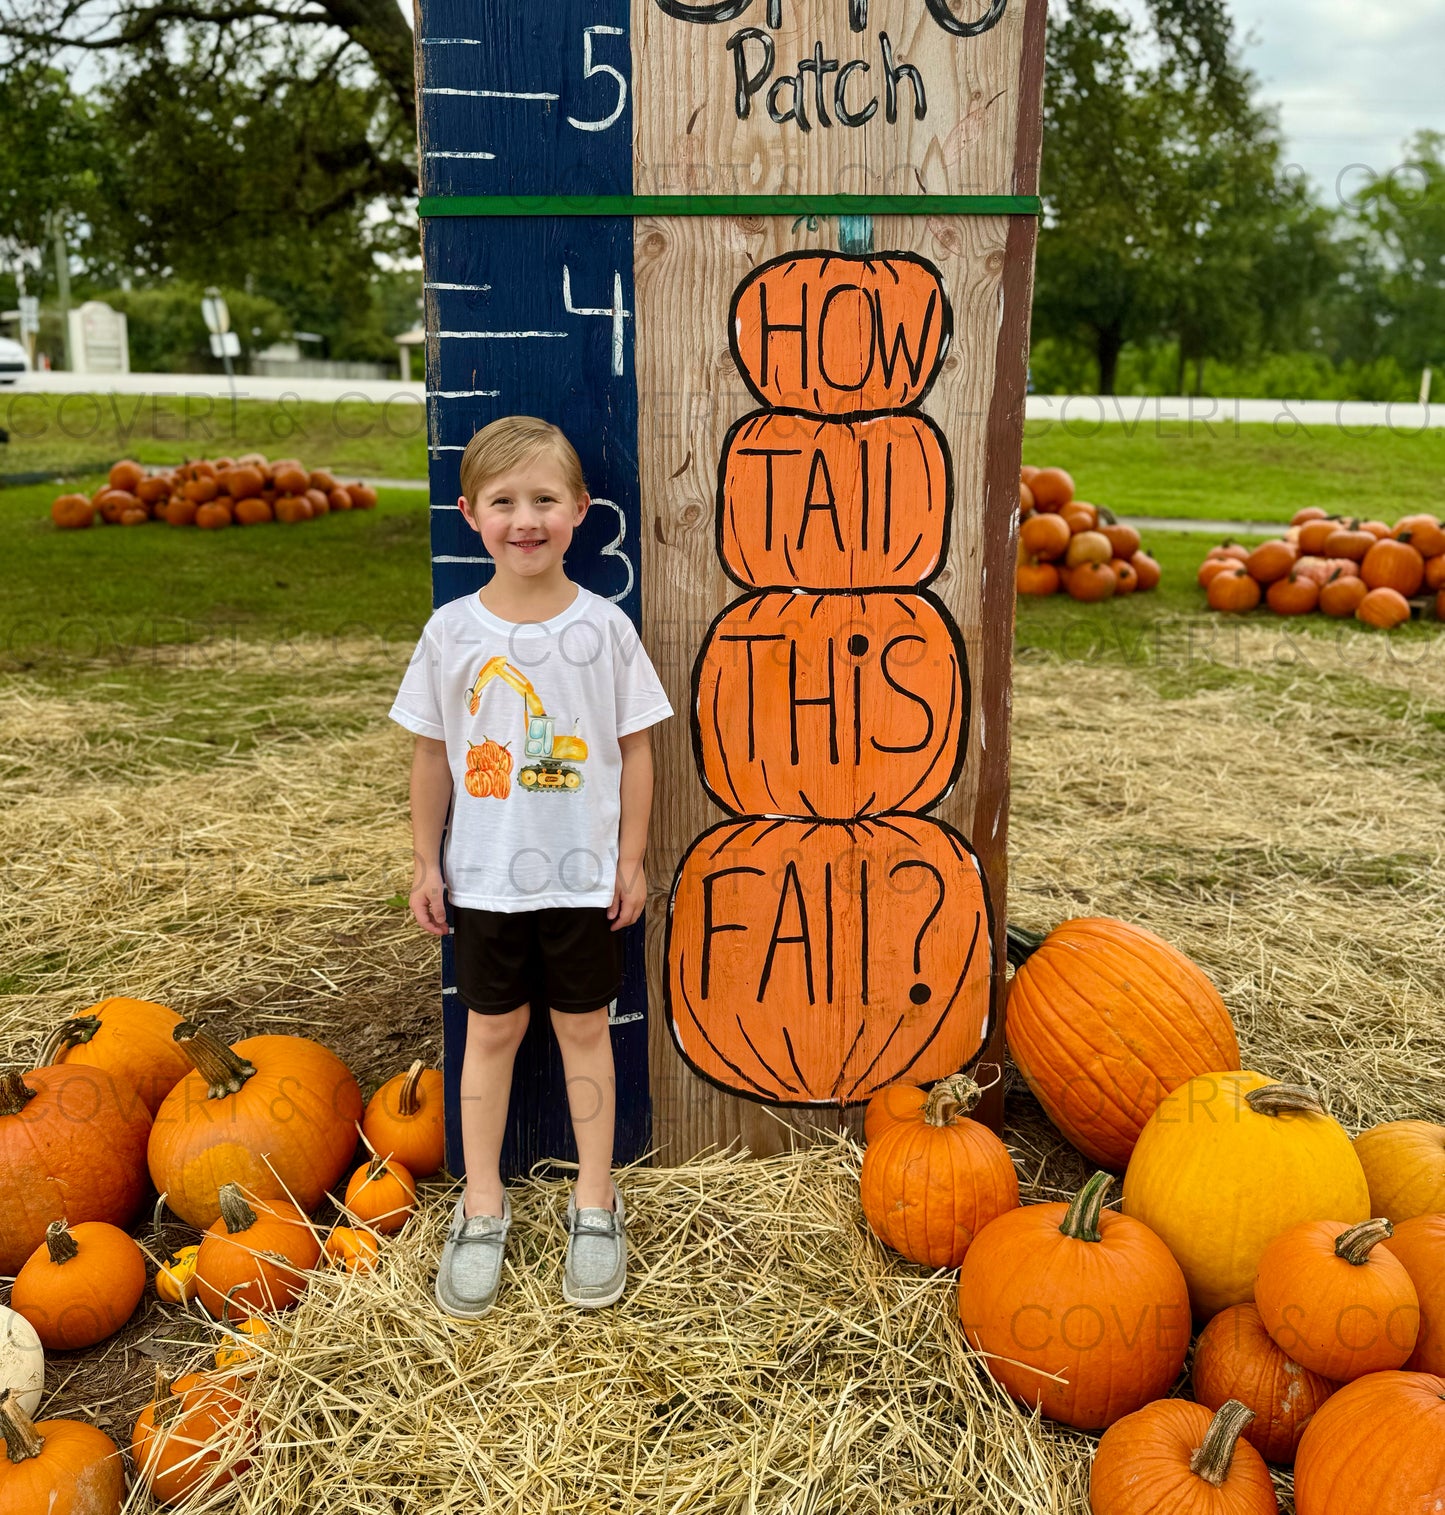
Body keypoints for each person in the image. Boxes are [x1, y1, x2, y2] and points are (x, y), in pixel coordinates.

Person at [389, 416, 673, 1319]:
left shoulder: (604, 630)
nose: (525, 519)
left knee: (585, 1031)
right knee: (492, 1035)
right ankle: (481, 1204)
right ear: (469, 514)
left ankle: (596, 1200)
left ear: (579, 511)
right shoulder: (451, 633)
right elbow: (433, 757)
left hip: (583, 882)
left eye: (544, 499)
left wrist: (630, 859)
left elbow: (635, 751)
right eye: (504, 502)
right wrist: (424, 862)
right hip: (483, 883)